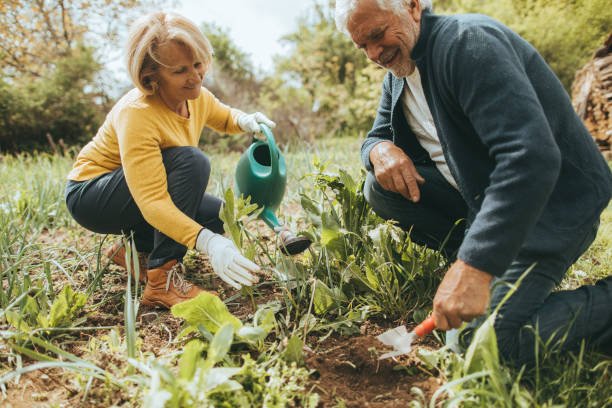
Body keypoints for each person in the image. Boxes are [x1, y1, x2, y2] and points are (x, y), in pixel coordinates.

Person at [335, 0, 612, 365]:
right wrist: (379, 149)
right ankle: (479, 262)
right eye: (362, 46)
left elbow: (530, 158)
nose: (374, 53)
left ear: (413, 6)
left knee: (476, 343)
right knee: (378, 186)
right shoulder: (399, 76)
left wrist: (475, 265)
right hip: (484, 201)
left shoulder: (468, 44)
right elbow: (375, 135)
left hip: (549, 208)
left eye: (377, 35)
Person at [65, 12, 275, 308]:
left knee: (215, 215)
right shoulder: (137, 113)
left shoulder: (194, 95)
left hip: (131, 192)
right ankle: (161, 279)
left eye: (198, 64)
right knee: (192, 162)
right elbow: (152, 201)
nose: (196, 76)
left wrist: (246, 120)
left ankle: (134, 252)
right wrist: (208, 243)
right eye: (180, 71)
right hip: (92, 195)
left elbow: (223, 116)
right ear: (151, 76)